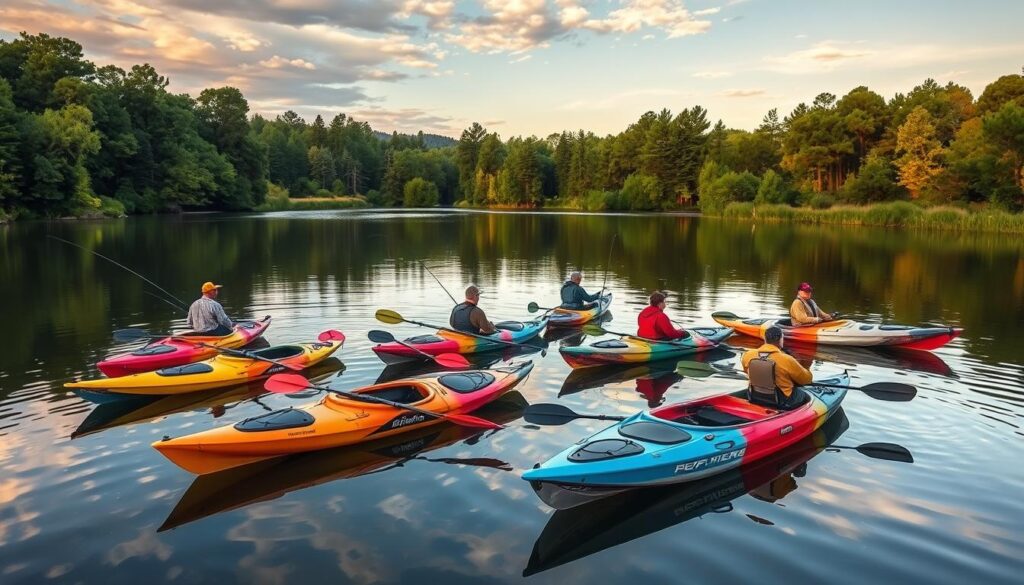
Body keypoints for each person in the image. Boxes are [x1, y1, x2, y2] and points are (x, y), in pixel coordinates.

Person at [740, 326, 813, 409]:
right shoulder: (787, 359)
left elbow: (747, 371)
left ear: (765, 339)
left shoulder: (748, 355)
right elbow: (806, 380)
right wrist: (806, 367)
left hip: (754, 395)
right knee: (805, 393)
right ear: (780, 339)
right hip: (782, 401)